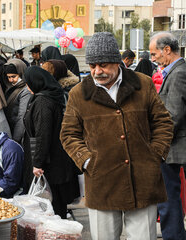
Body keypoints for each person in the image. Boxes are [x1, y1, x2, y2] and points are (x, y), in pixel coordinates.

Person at [60, 32, 174, 239]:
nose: (97, 71)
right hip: (101, 182)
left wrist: (155, 155)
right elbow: (69, 134)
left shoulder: (143, 84)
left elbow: (163, 122)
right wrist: (87, 161)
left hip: (142, 181)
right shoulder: (79, 94)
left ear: (117, 62)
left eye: (103, 65)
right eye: (93, 66)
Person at [23, 66, 80, 219]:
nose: (27, 87)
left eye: (28, 83)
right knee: (55, 204)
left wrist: (38, 163)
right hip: (55, 158)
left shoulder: (43, 102)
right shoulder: (49, 96)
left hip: (50, 162)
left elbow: (43, 134)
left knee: (53, 206)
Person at [150, 32, 186, 240]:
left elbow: (174, 114)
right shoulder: (175, 71)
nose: (153, 58)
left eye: (155, 54)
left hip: (173, 148)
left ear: (167, 50)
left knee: (168, 199)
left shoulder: (179, 73)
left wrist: (158, 142)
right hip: (174, 146)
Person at [3, 59, 31, 143]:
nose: (11, 80)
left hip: (18, 134)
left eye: (14, 76)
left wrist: (15, 139)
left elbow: (22, 116)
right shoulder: (10, 88)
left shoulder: (25, 91)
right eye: (8, 77)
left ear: (21, 73)